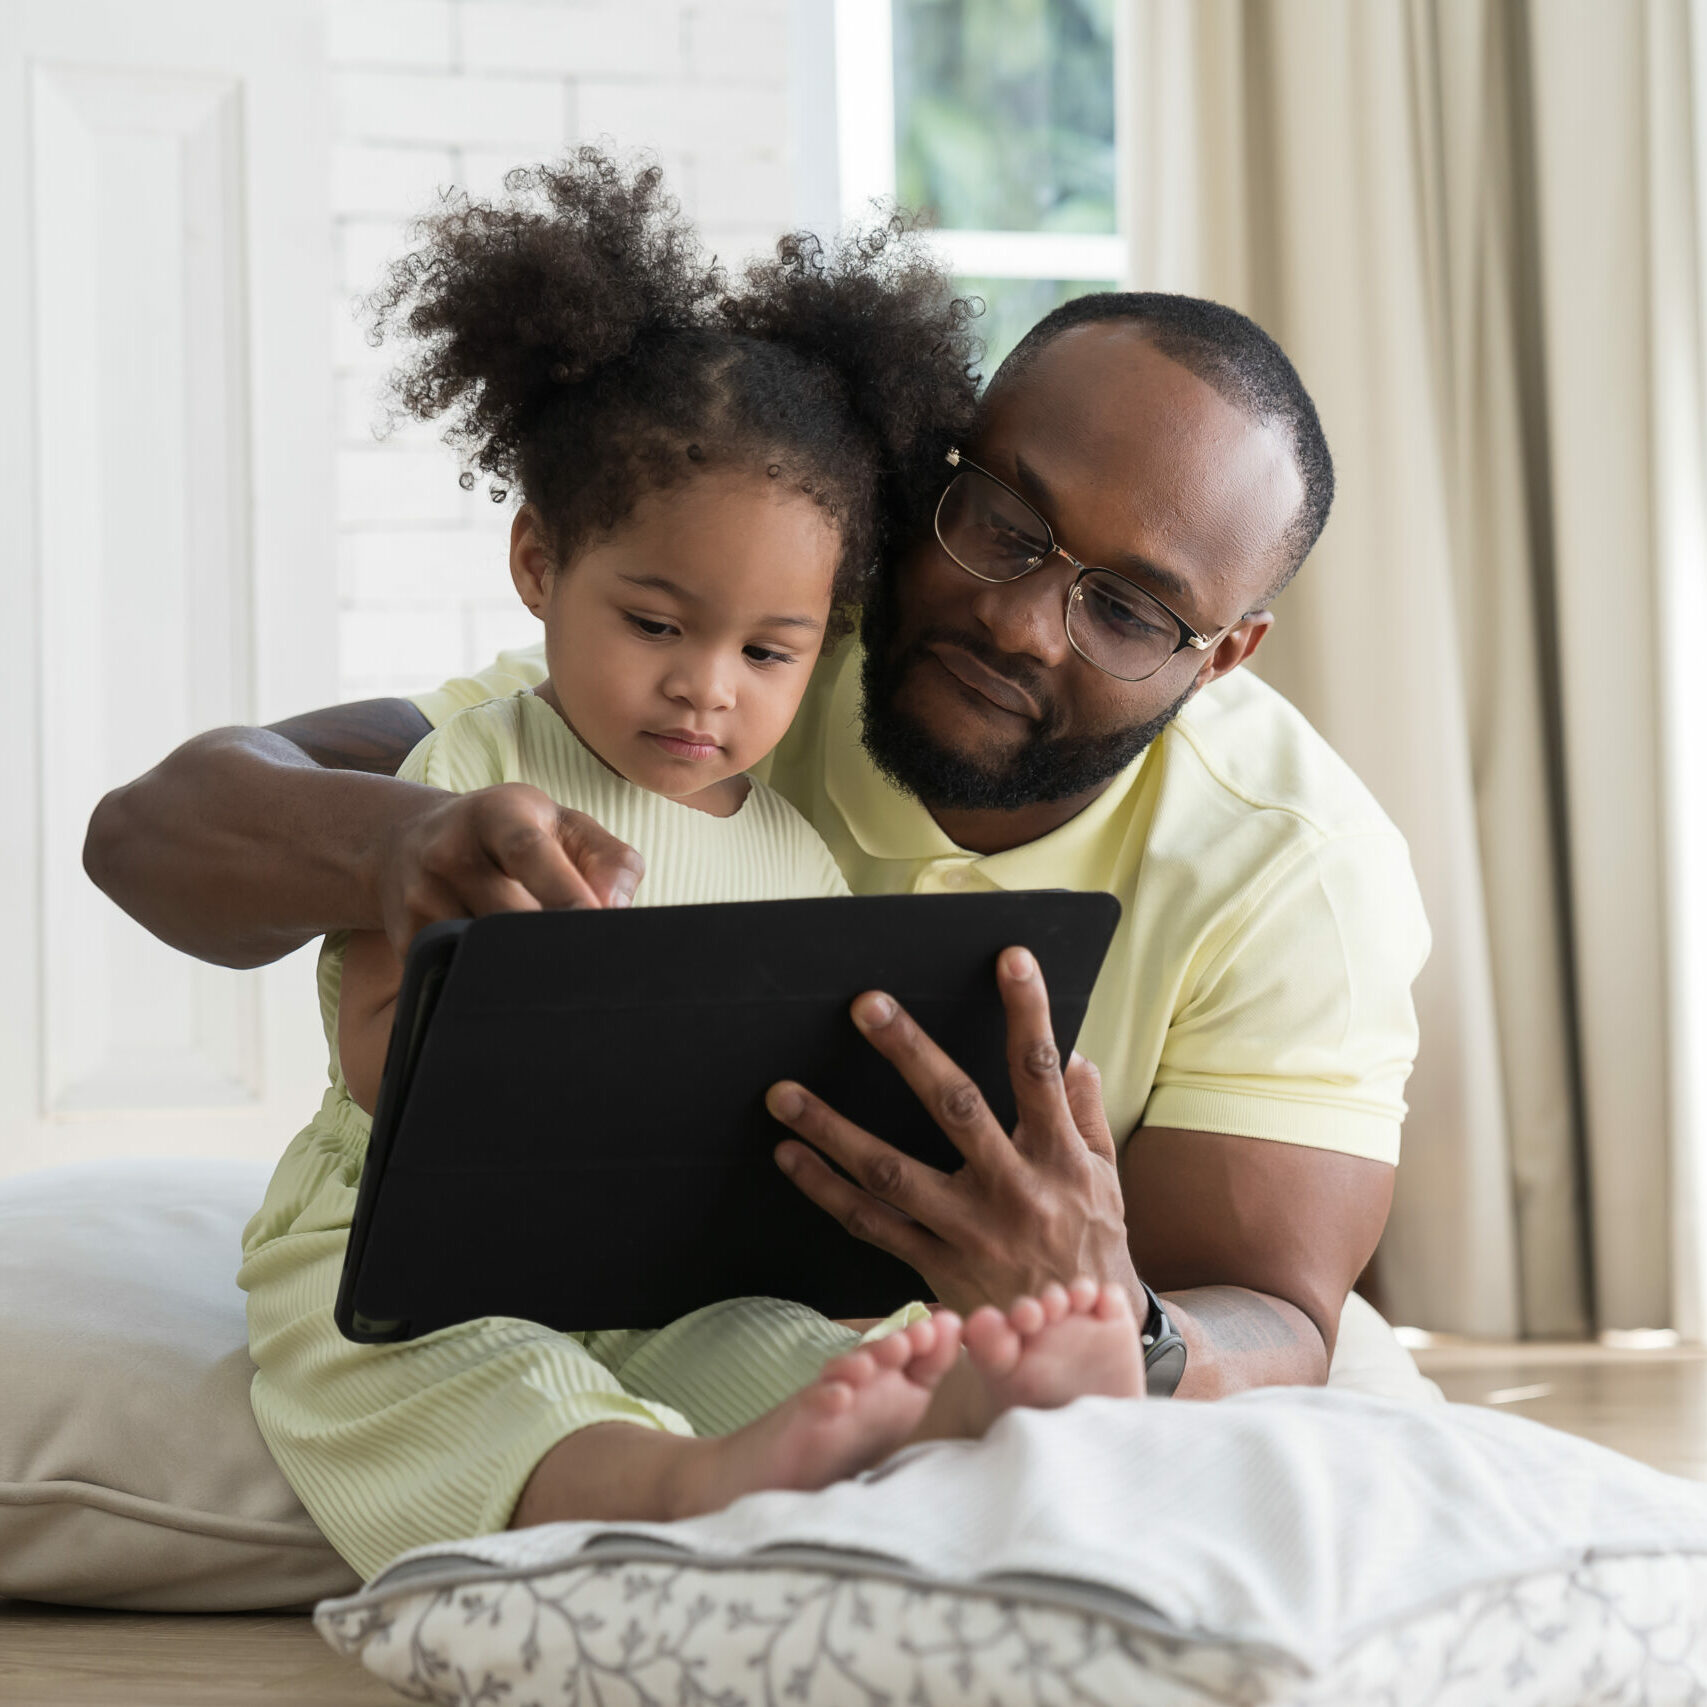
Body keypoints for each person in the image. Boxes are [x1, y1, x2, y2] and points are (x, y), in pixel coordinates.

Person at [87, 276, 1433, 1454]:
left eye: (1130, 610)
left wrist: (1119, 1322)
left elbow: (1281, 1316)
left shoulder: (1299, 871)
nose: (1022, 621)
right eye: (1004, 524)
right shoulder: (751, 651)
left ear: (1229, 652)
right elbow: (148, 834)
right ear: (936, 473)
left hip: (850, 1334)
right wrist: (404, 847)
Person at [231, 151, 1145, 1581]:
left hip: (669, 1261)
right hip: (414, 1250)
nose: (705, 691)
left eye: (766, 653)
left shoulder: (789, 852)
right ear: (540, 562)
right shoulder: (472, 782)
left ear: (824, 636)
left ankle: (948, 1415)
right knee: (464, 1381)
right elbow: (369, 1064)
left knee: (784, 1345)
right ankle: (674, 1485)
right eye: (657, 625)